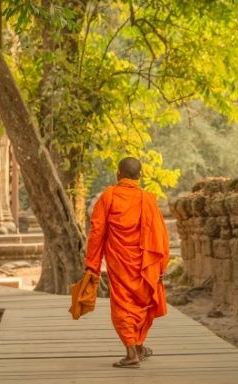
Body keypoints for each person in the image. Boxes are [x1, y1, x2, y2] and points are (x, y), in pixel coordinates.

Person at [84, 157, 170, 368]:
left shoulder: (109, 196)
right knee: (143, 302)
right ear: (139, 176)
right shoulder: (147, 198)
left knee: (123, 304)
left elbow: (96, 232)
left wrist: (92, 263)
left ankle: (132, 352)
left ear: (118, 174)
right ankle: (138, 345)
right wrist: (161, 266)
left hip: (120, 263)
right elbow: (161, 235)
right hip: (145, 264)